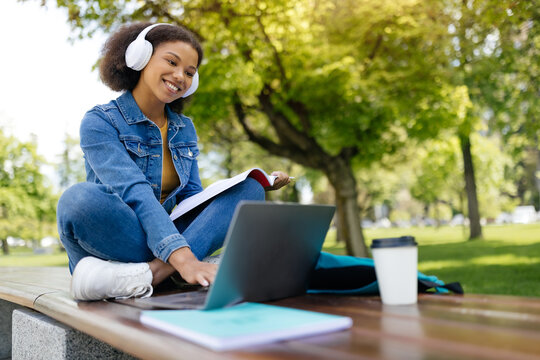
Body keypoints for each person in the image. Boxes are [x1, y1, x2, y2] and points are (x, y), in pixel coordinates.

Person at [57, 22, 291, 301]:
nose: (180, 76)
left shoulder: (183, 128)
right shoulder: (100, 121)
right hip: (122, 235)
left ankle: (152, 274)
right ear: (139, 58)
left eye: (190, 72)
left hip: (167, 237)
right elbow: (135, 193)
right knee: (77, 200)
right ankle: (177, 269)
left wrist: (259, 182)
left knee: (250, 189)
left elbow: (193, 198)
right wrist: (185, 258)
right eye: (171, 62)